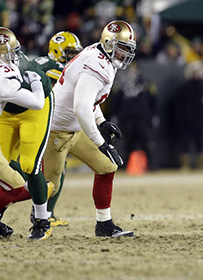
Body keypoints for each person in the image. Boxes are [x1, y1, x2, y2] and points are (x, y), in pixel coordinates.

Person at [42, 20, 137, 237]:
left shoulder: (100, 55)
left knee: (106, 166)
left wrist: (102, 121)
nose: (124, 54)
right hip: (55, 130)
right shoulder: (97, 65)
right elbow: (81, 108)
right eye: (122, 48)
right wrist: (100, 141)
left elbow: (89, 102)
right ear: (109, 43)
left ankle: (104, 224)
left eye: (127, 49)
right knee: (45, 188)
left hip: (73, 129)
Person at [0, 27, 54, 240]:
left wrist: (34, 83)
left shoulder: (9, 76)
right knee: (4, 169)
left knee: (29, 164)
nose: (16, 57)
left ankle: (42, 220)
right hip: (7, 110)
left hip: (33, 108)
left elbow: (37, 102)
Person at [32, 30, 83, 227]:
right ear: (58, 50)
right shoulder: (55, 67)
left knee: (53, 169)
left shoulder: (38, 62)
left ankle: (46, 212)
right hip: (42, 124)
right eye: (70, 52)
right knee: (32, 172)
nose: (73, 57)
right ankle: (43, 212)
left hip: (35, 121)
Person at [172, 61, 203, 170]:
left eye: (198, 71)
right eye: (194, 71)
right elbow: (179, 106)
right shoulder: (184, 88)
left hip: (200, 120)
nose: (196, 74)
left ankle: (201, 164)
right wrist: (180, 119)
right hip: (187, 120)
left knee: (200, 142)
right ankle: (185, 164)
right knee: (185, 142)